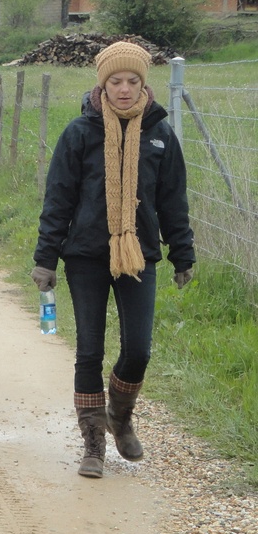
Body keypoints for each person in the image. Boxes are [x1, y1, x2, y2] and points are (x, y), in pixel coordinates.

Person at [31, 40, 195, 478]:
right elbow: (58, 200)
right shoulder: (80, 133)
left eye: (133, 81)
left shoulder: (160, 133)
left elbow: (173, 201)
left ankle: (120, 416)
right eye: (116, 81)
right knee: (89, 351)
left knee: (138, 349)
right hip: (85, 256)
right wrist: (45, 259)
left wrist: (183, 253)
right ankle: (93, 443)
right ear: (102, 84)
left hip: (139, 255)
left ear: (145, 83)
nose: (124, 89)